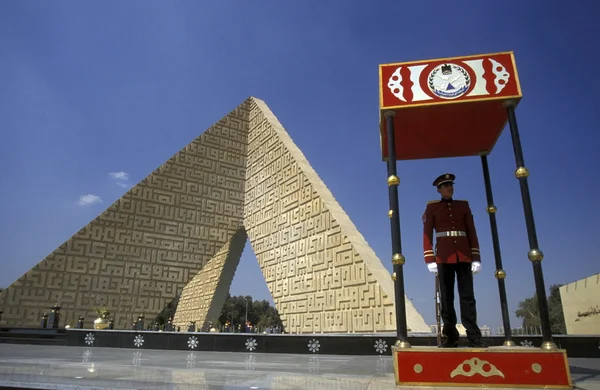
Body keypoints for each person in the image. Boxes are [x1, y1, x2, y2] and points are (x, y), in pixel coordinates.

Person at [422, 173, 487, 348]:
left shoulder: (463, 206)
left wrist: (476, 257)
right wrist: (429, 258)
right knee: (446, 298)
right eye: (445, 185)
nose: (449, 188)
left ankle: (474, 336)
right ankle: (450, 336)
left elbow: (471, 231)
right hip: (443, 256)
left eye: (451, 185)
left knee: (467, 297)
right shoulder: (432, 208)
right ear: (439, 189)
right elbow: (427, 233)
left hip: (464, 254)